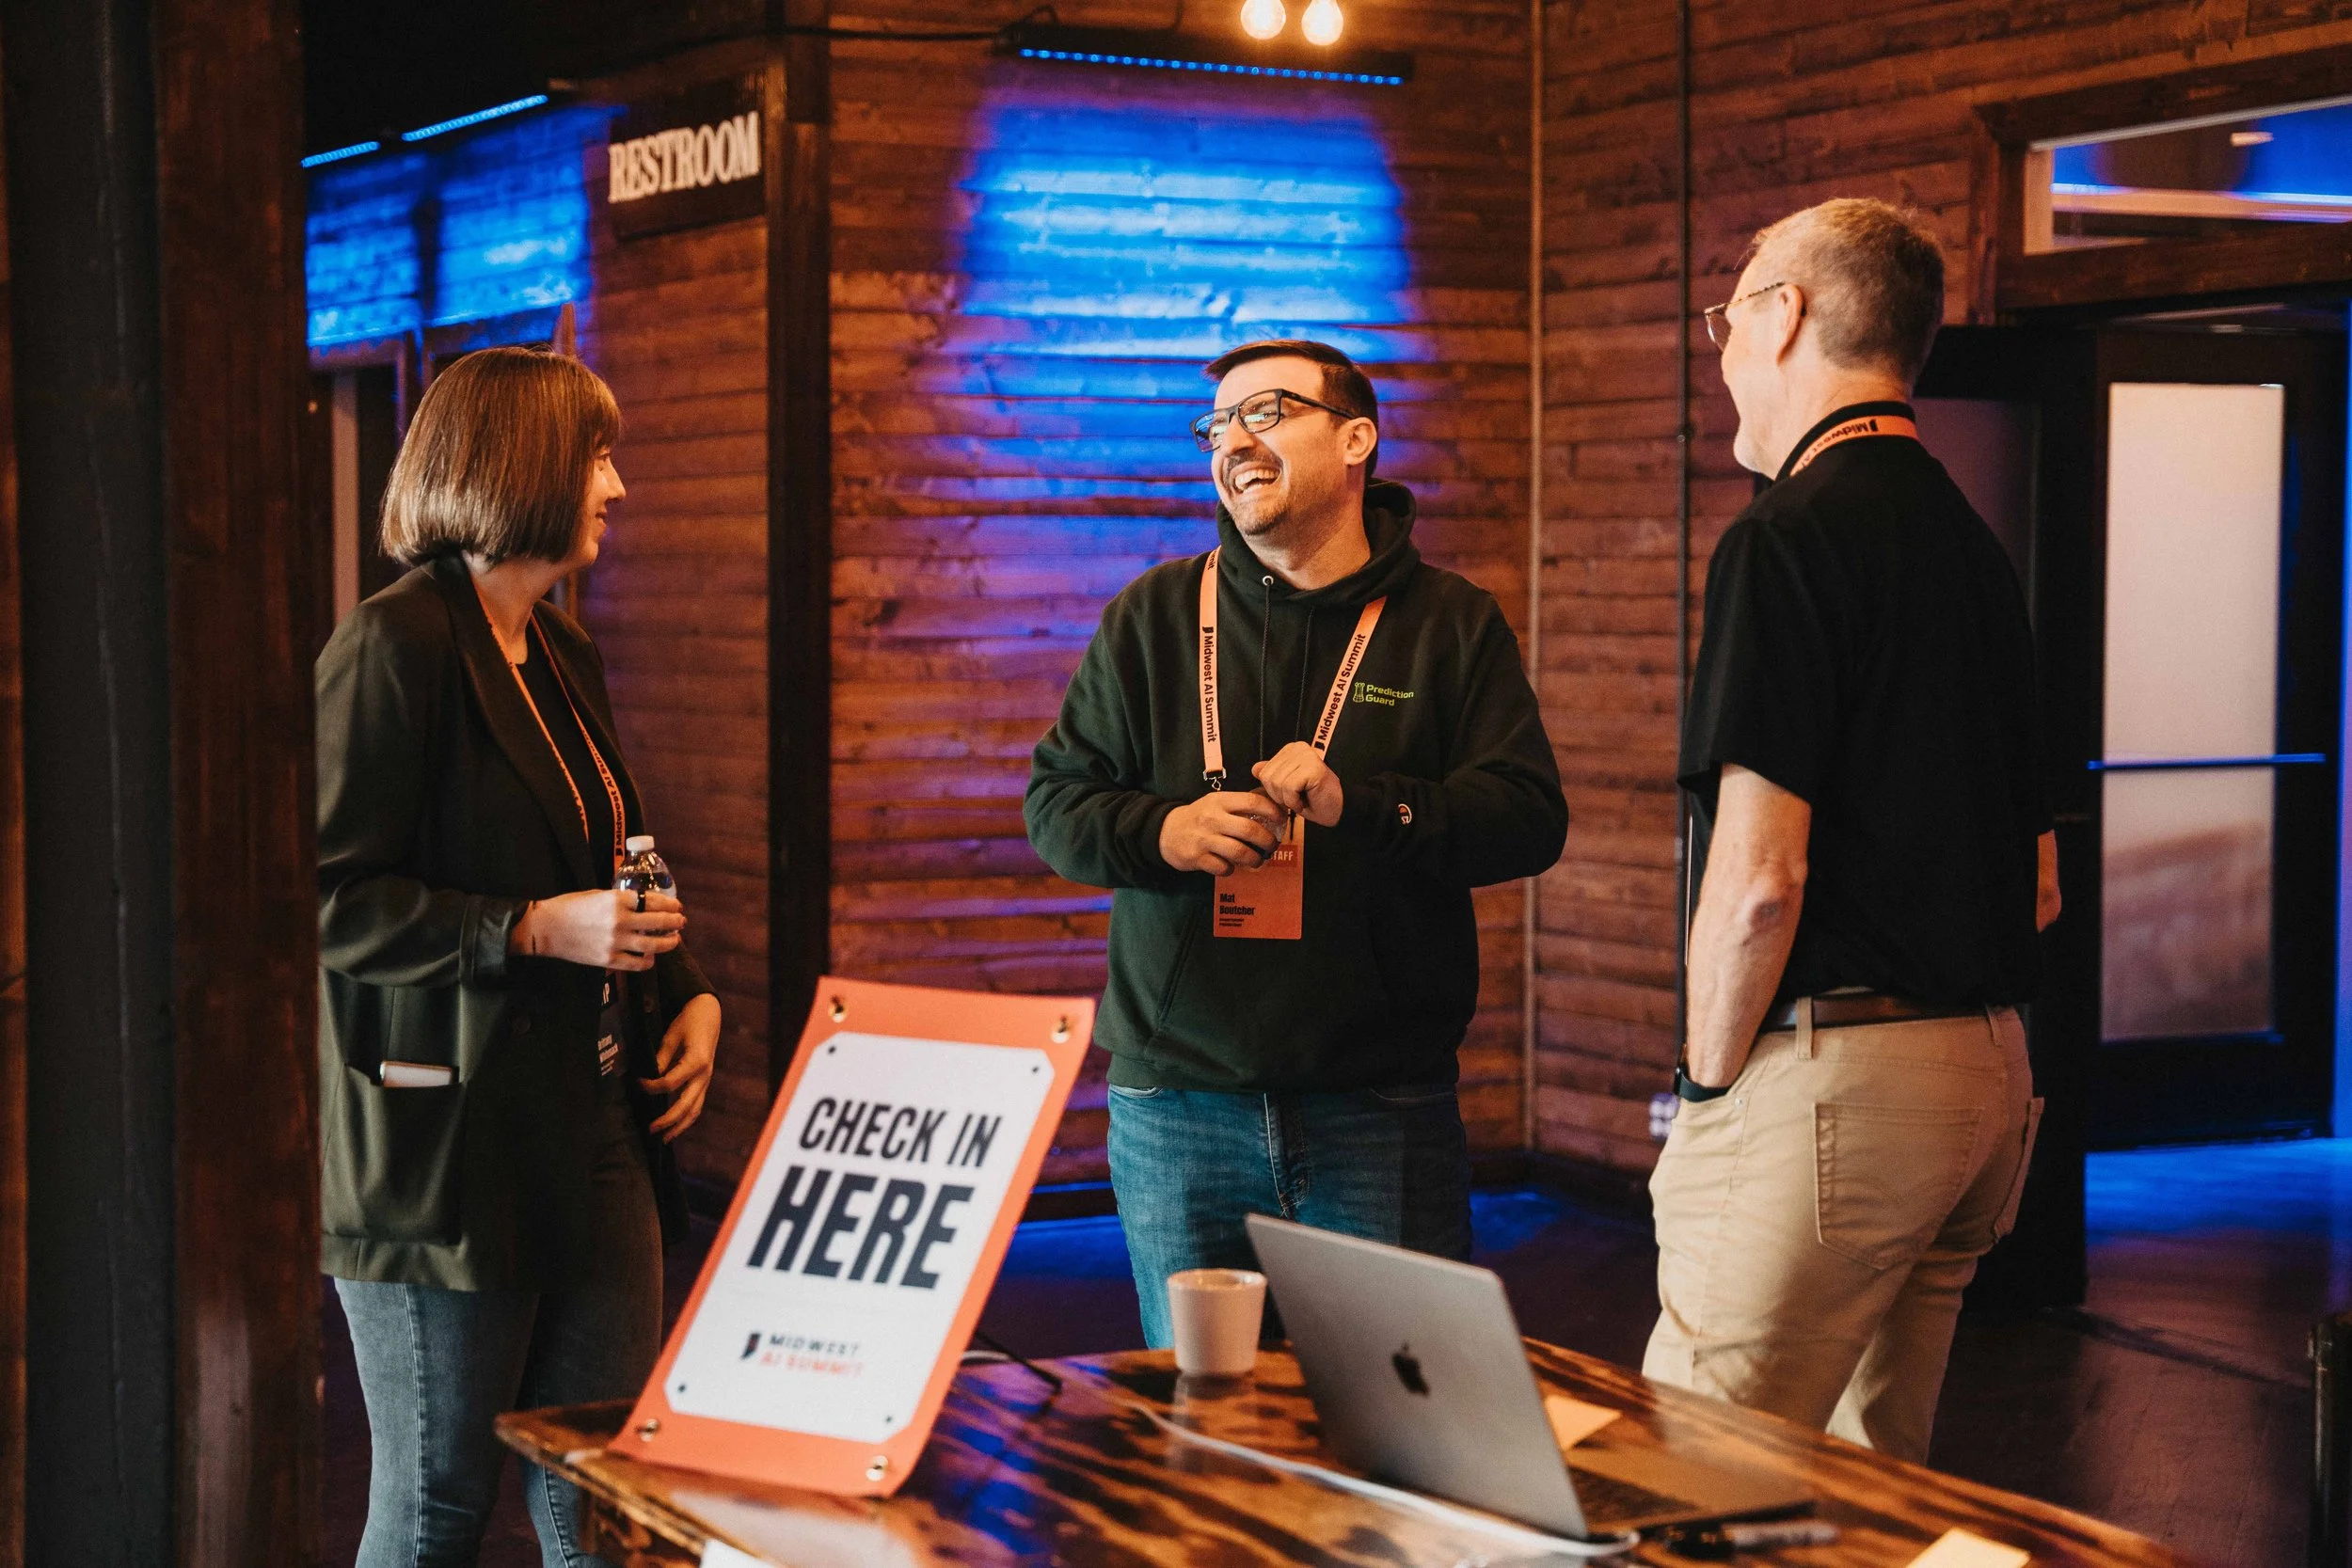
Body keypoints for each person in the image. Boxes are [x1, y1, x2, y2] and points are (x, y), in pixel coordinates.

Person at [1025, 339, 1567, 1347]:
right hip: (1177, 1102)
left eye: (1265, 412)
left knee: (1394, 1424)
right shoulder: (1151, 615)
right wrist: (1168, 831)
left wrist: (1360, 805)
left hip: (1379, 1102)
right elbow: (1054, 805)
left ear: (1355, 438)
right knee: (1205, 1418)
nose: (1233, 439)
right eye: (1217, 425)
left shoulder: (1449, 623)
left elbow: (1527, 814)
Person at [1642, 199, 2060, 1463]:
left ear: (1786, 317)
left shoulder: (1788, 538)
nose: (1719, 350)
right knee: (1869, 1485)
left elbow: (1759, 879)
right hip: (1987, 1076)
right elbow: (2037, 880)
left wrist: (1705, 1086)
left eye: (1729, 314)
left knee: (1689, 1473)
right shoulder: (1976, 547)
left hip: (1841, 1086)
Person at [316, 347, 722, 1567]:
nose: (618, 486)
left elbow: (617, 858)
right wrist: (530, 927)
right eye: (598, 455)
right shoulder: (395, 647)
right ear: (526, 466)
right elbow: (327, 899)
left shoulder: (560, 650)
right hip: (447, 1152)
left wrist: (685, 991)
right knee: (441, 1504)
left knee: (603, 1486)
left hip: (595, 1123)